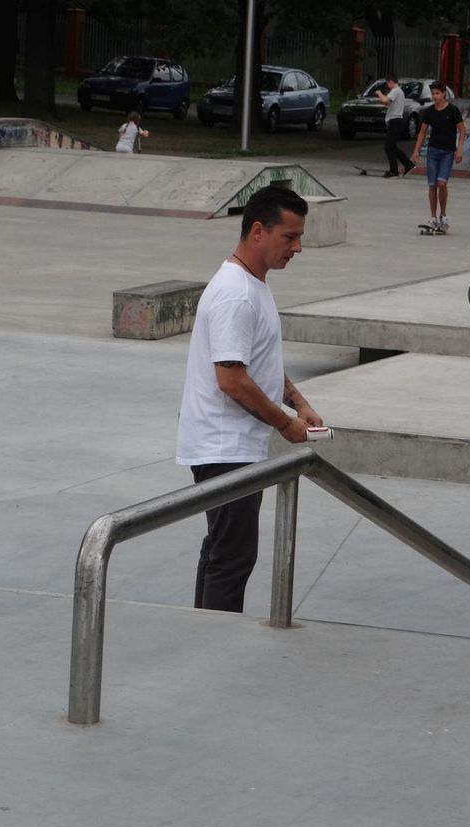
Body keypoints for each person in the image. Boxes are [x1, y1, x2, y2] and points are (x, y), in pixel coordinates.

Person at [175, 186, 323, 613]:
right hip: (224, 448)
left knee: (222, 551)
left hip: (233, 445)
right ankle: (213, 648)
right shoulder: (236, 294)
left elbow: (256, 363)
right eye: (289, 237)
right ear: (258, 231)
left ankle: (203, 632)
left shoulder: (252, 285)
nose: (297, 247)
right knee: (232, 558)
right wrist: (284, 423)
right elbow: (232, 380)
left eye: (299, 237)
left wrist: (299, 401)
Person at [411, 81, 466, 232]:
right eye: (433, 93)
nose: (435, 96)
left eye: (437, 93)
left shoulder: (453, 110)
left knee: (442, 183)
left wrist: (459, 149)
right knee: (432, 185)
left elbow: (462, 130)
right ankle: (433, 217)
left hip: (448, 152)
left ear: (444, 94)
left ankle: (443, 215)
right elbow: (422, 132)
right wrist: (416, 150)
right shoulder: (429, 112)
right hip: (433, 151)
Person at [376, 74, 417, 177]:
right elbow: (387, 103)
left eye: (387, 83)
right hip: (395, 120)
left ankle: (394, 171)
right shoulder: (398, 92)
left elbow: (385, 100)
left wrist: (379, 93)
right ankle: (408, 164)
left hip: (395, 120)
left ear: (390, 82)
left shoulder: (396, 90)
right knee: (392, 146)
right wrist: (382, 98)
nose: (387, 86)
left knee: (388, 147)